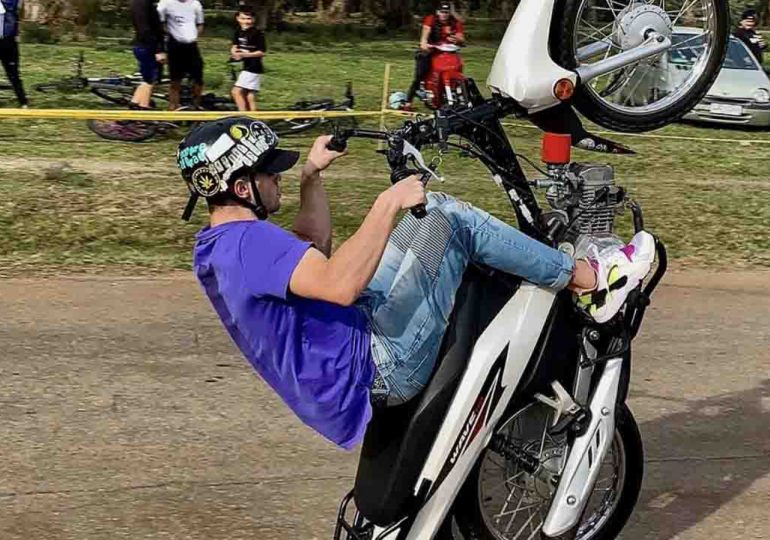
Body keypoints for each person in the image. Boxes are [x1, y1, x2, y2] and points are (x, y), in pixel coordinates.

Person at [177, 118, 655, 450]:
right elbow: (339, 284)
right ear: (243, 188)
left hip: (353, 349)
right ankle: (591, 281)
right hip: (377, 366)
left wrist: (310, 176)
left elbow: (310, 250)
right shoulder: (249, 244)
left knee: (424, 227)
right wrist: (388, 203)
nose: (276, 177)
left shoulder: (223, 244)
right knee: (448, 215)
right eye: (270, 172)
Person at [403, 0, 465, 111]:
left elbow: (461, 37)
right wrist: (424, 44)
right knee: (420, 73)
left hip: (448, 52)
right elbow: (425, 35)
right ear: (437, 12)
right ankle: (408, 101)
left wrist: (456, 39)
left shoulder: (455, 22)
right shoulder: (430, 20)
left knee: (459, 68)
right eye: (442, 12)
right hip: (431, 50)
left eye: (446, 12)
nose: (444, 15)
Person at [157, 0, 204, 110]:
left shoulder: (195, 3)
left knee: (198, 78)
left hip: (191, 46)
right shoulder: (165, 3)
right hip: (174, 45)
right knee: (175, 79)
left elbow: (200, 24)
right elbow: (160, 23)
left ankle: (196, 106)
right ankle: (173, 107)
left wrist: (192, 35)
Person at [130, 0, 166, 109]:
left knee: (149, 79)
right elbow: (144, 29)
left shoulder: (146, 3)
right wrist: (158, 50)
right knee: (150, 79)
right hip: (147, 47)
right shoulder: (142, 4)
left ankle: (135, 104)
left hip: (146, 45)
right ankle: (143, 108)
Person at [230, 7, 266, 112]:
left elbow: (261, 52)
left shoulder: (257, 33)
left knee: (236, 91)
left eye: (249, 19)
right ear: (238, 18)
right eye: (243, 18)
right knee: (249, 95)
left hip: (253, 67)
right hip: (244, 66)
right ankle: (253, 117)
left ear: (253, 20)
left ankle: (243, 115)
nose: (246, 21)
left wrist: (244, 55)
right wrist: (234, 52)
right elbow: (234, 45)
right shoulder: (238, 32)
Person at [0, 0, 28, 108]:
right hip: (9, 41)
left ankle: (23, 102)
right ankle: (23, 102)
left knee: (13, 74)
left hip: (8, 41)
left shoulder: (10, 5)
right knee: (13, 74)